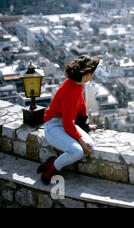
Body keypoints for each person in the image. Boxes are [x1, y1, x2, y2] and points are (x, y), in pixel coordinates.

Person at [39, 55, 100, 184]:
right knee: (78, 151)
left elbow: (81, 105)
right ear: (86, 74)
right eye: (92, 73)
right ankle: (52, 168)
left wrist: (85, 126)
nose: (92, 75)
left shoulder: (78, 84)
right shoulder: (69, 90)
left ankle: (52, 161)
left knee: (91, 146)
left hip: (67, 124)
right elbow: (67, 123)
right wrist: (81, 142)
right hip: (54, 126)